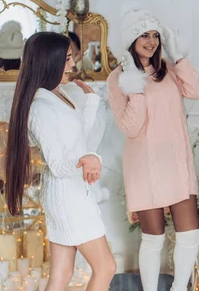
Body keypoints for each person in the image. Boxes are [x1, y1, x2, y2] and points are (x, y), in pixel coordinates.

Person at [4, 32, 116, 291]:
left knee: (61, 275)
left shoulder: (56, 95)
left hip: (70, 194)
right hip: (69, 198)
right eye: (66, 59)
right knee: (106, 267)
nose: (73, 65)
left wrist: (89, 104)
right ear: (49, 61)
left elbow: (77, 141)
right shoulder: (42, 108)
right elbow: (57, 163)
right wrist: (90, 159)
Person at [107, 8, 199, 291]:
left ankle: (178, 289)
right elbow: (130, 128)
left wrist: (180, 57)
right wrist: (135, 88)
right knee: (153, 239)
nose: (151, 41)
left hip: (175, 161)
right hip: (144, 167)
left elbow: (197, 91)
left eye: (155, 35)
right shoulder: (118, 78)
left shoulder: (168, 68)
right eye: (143, 35)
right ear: (131, 39)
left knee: (189, 236)